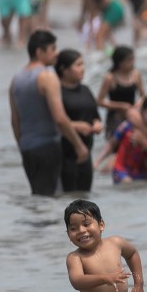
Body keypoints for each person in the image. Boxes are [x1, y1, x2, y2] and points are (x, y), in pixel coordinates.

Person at [9, 30, 88, 196]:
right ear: (39, 52)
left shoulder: (16, 79)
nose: (56, 53)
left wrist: (22, 146)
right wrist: (79, 145)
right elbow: (59, 118)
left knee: (38, 196)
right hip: (47, 146)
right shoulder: (47, 76)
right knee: (50, 199)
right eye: (52, 48)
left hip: (28, 147)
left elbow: (15, 121)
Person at [56, 49, 102, 193]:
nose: (83, 69)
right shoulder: (56, 92)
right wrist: (75, 126)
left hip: (86, 152)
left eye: (83, 64)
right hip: (65, 153)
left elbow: (94, 114)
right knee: (66, 197)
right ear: (64, 69)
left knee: (85, 199)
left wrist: (97, 124)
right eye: (78, 65)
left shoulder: (85, 90)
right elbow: (52, 120)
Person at [97, 46, 144, 139]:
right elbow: (100, 101)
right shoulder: (110, 78)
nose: (132, 63)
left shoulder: (135, 74)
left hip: (132, 115)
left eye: (133, 59)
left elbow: (143, 95)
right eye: (129, 60)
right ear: (119, 62)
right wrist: (121, 106)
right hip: (115, 117)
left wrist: (137, 105)